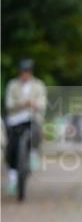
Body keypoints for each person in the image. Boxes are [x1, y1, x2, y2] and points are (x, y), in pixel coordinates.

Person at [4, 59, 47, 195]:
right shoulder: (13, 85)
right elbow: (8, 104)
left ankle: (33, 152)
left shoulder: (38, 85)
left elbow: (43, 103)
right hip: (15, 120)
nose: (24, 74)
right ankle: (12, 178)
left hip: (32, 118)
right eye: (23, 72)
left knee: (36, 130)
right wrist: (21, 104)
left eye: (27, 72)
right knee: (11, 146)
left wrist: (33, 104)